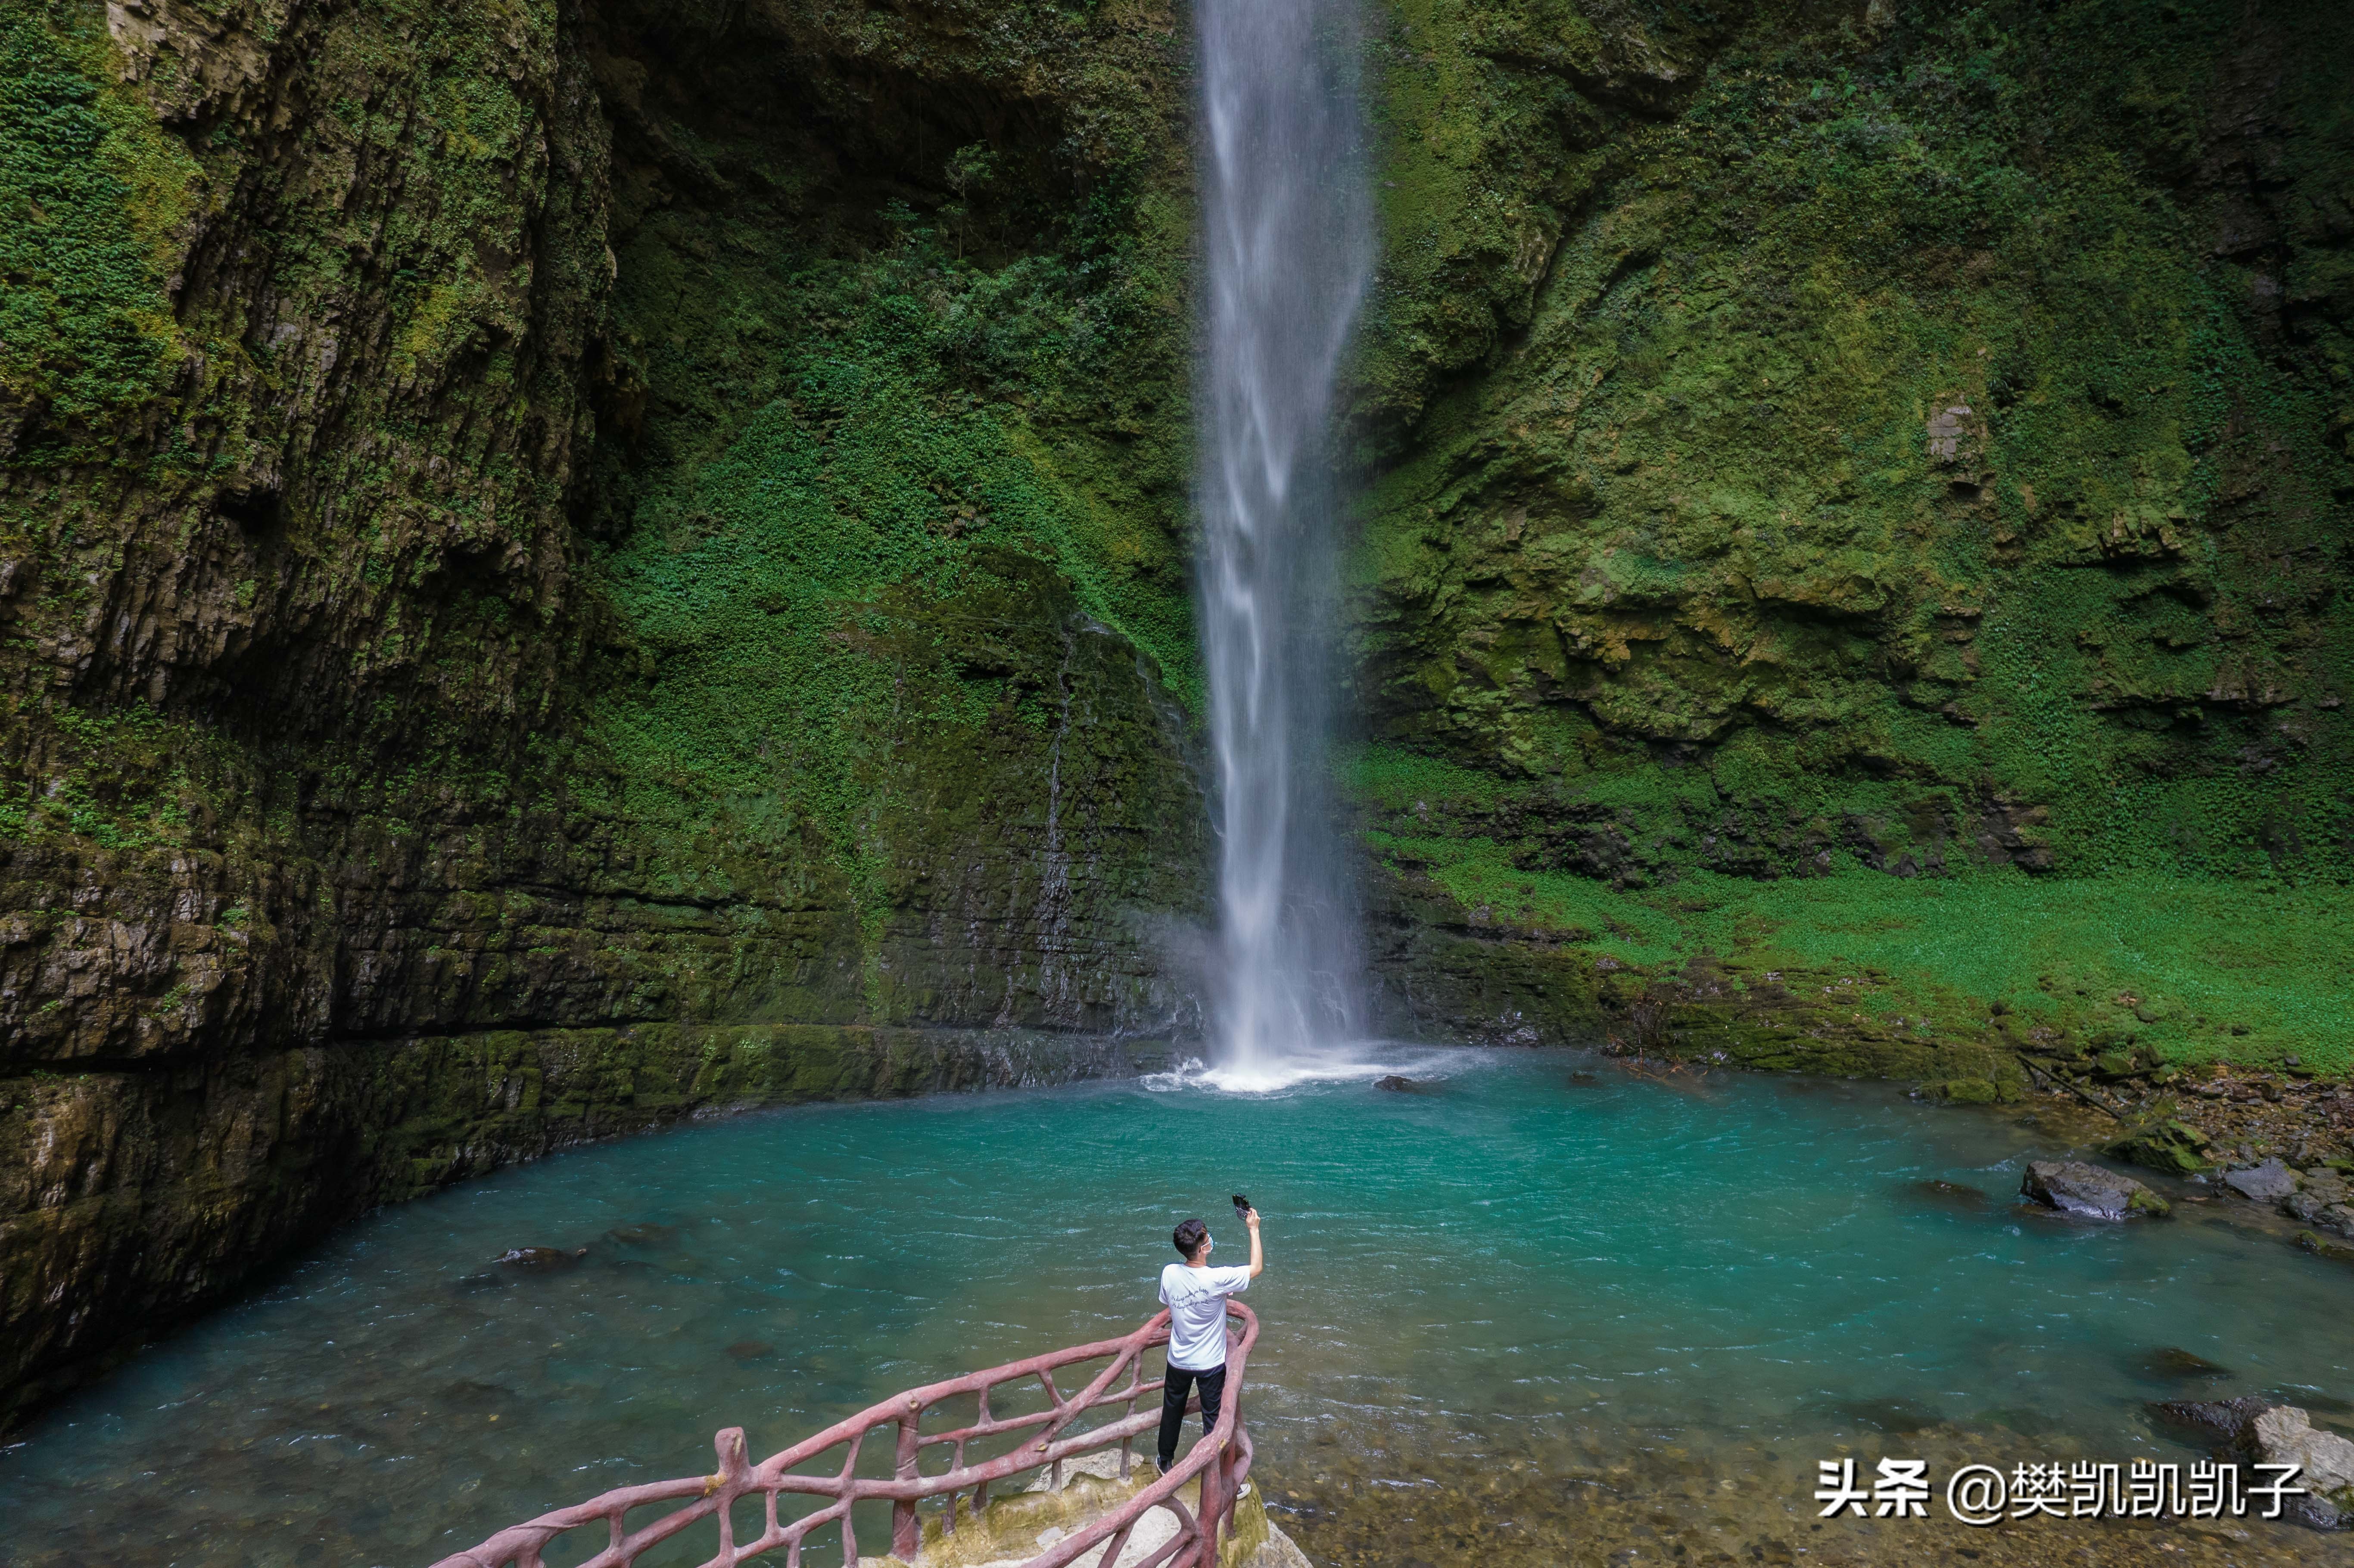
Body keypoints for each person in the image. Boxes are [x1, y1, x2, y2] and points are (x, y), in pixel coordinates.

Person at [1156, 1203, 1262, 1474]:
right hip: (1210, 1364)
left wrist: (1213, 1293)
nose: (1210, 1239)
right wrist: (1253, 1229)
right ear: (1203, 1249)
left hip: (1178, 1358)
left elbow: (1170, 1301)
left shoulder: (1169, 1272)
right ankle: (1214, 1470)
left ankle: (1165, 1462)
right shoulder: (1217, 1279)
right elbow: (1256, 1267)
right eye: (1207, 1237)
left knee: (1172, 1411)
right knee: (1213, 1419)